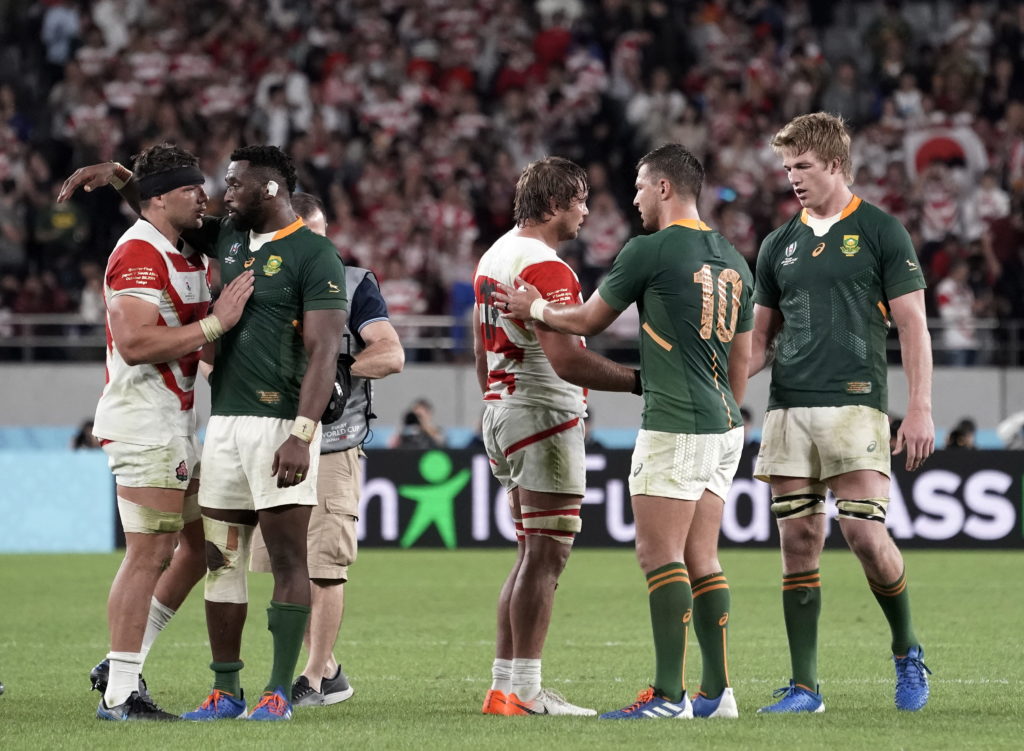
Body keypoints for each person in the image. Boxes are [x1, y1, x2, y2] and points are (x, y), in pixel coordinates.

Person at [496, 144, 753, 720]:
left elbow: (588, 321)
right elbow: (743, 359)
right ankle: (718, 694)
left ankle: (668, 696)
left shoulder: (651, 250)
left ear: (664, 188)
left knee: (658, 555)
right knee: (703, 558)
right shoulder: (735, 259)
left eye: (639, 187)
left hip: (675, 423)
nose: (633, 199)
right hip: (724, 425)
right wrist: (722, 413)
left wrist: (534, 310)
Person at [748, 112, 934, 714]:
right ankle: (805, 688)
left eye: (801, 165)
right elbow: (758, 344)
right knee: (798, 541)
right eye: (787, 168)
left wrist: (919, 409)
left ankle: (907, 649)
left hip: (855, 403)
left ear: (833, 163)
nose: (793, 177)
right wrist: (715, 383)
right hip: (788, 409)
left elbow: (912, 325)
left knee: (864, 536)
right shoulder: (778, 244)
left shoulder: (882, 231)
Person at [82, 143, 254, 721]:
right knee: (147, 554)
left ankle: (122, 665)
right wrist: (216, 322)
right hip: (143, 424)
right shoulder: (137, 252)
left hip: (176, 424)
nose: (202, 198)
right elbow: (133, 343)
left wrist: (125, 177)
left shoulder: (172, 245)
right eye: (190, 191)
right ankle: (122, 694)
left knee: (200, 546)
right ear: (159, 201)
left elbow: (155, 199)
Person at [473, 156, 641, 717]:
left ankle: (504, 686)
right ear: (552, 205)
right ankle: (525, 691)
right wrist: (641, 381)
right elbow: (568, 361)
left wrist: (498, 402)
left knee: (528, 555)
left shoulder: (494, 255)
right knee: (547, 557)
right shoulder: (547, 268)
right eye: (580, 201)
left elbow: (480, 352)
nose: (586, 212)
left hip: (502, 409)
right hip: (543, 415)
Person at [249, 192, 404, 708]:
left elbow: (390, 352)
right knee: (276, 564)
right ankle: (329, 669)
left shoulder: (354, 283)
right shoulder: (261, 279)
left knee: (323, 565)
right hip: (272, 440)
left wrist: (340, 373)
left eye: (315, 237)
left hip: (334, 442)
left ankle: (314, 678)